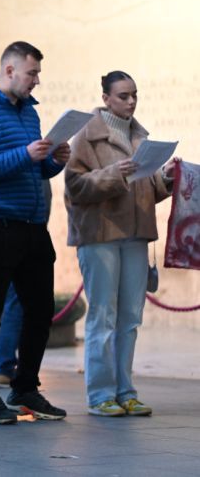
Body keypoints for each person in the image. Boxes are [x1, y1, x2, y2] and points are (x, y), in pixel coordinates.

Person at [0, 41, 71, 424]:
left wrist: (53, 162)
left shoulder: (28, 114)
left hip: (33, 226)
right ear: (9, 71)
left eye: (37, 73)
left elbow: (33, 170)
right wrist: (26, 155)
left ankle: (25, 388)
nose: (37, 81)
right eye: (32, 73)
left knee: (39, 312)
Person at [64, 71, 177, 417]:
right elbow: (75, 187)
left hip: (136, 234)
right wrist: (116, 175)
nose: (131, 102)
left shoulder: (140, 136)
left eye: (134, 95)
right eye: (124, 96)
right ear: (106, 98)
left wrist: (166, 181)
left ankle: (126, 390)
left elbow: (146, 187)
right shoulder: (86, 135)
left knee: (130, 317)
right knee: (103, 315)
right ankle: (100, 395)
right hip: (100, 235)